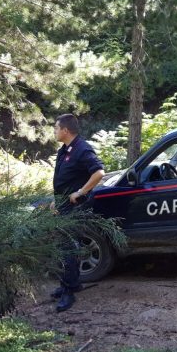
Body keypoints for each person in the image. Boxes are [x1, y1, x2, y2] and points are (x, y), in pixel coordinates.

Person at [51, 114, 105, 312]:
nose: (54, 131)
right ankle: (70, 284)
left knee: (68, 248)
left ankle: (69, 293)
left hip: (76, 207)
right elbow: (61, 179)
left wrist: (81, 192)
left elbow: (99, 172)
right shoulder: (64, 150)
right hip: (62, 205)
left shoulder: (82, 149)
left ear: (65, 130)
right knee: (64, 246)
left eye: (56, 128)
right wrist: (55, 201)